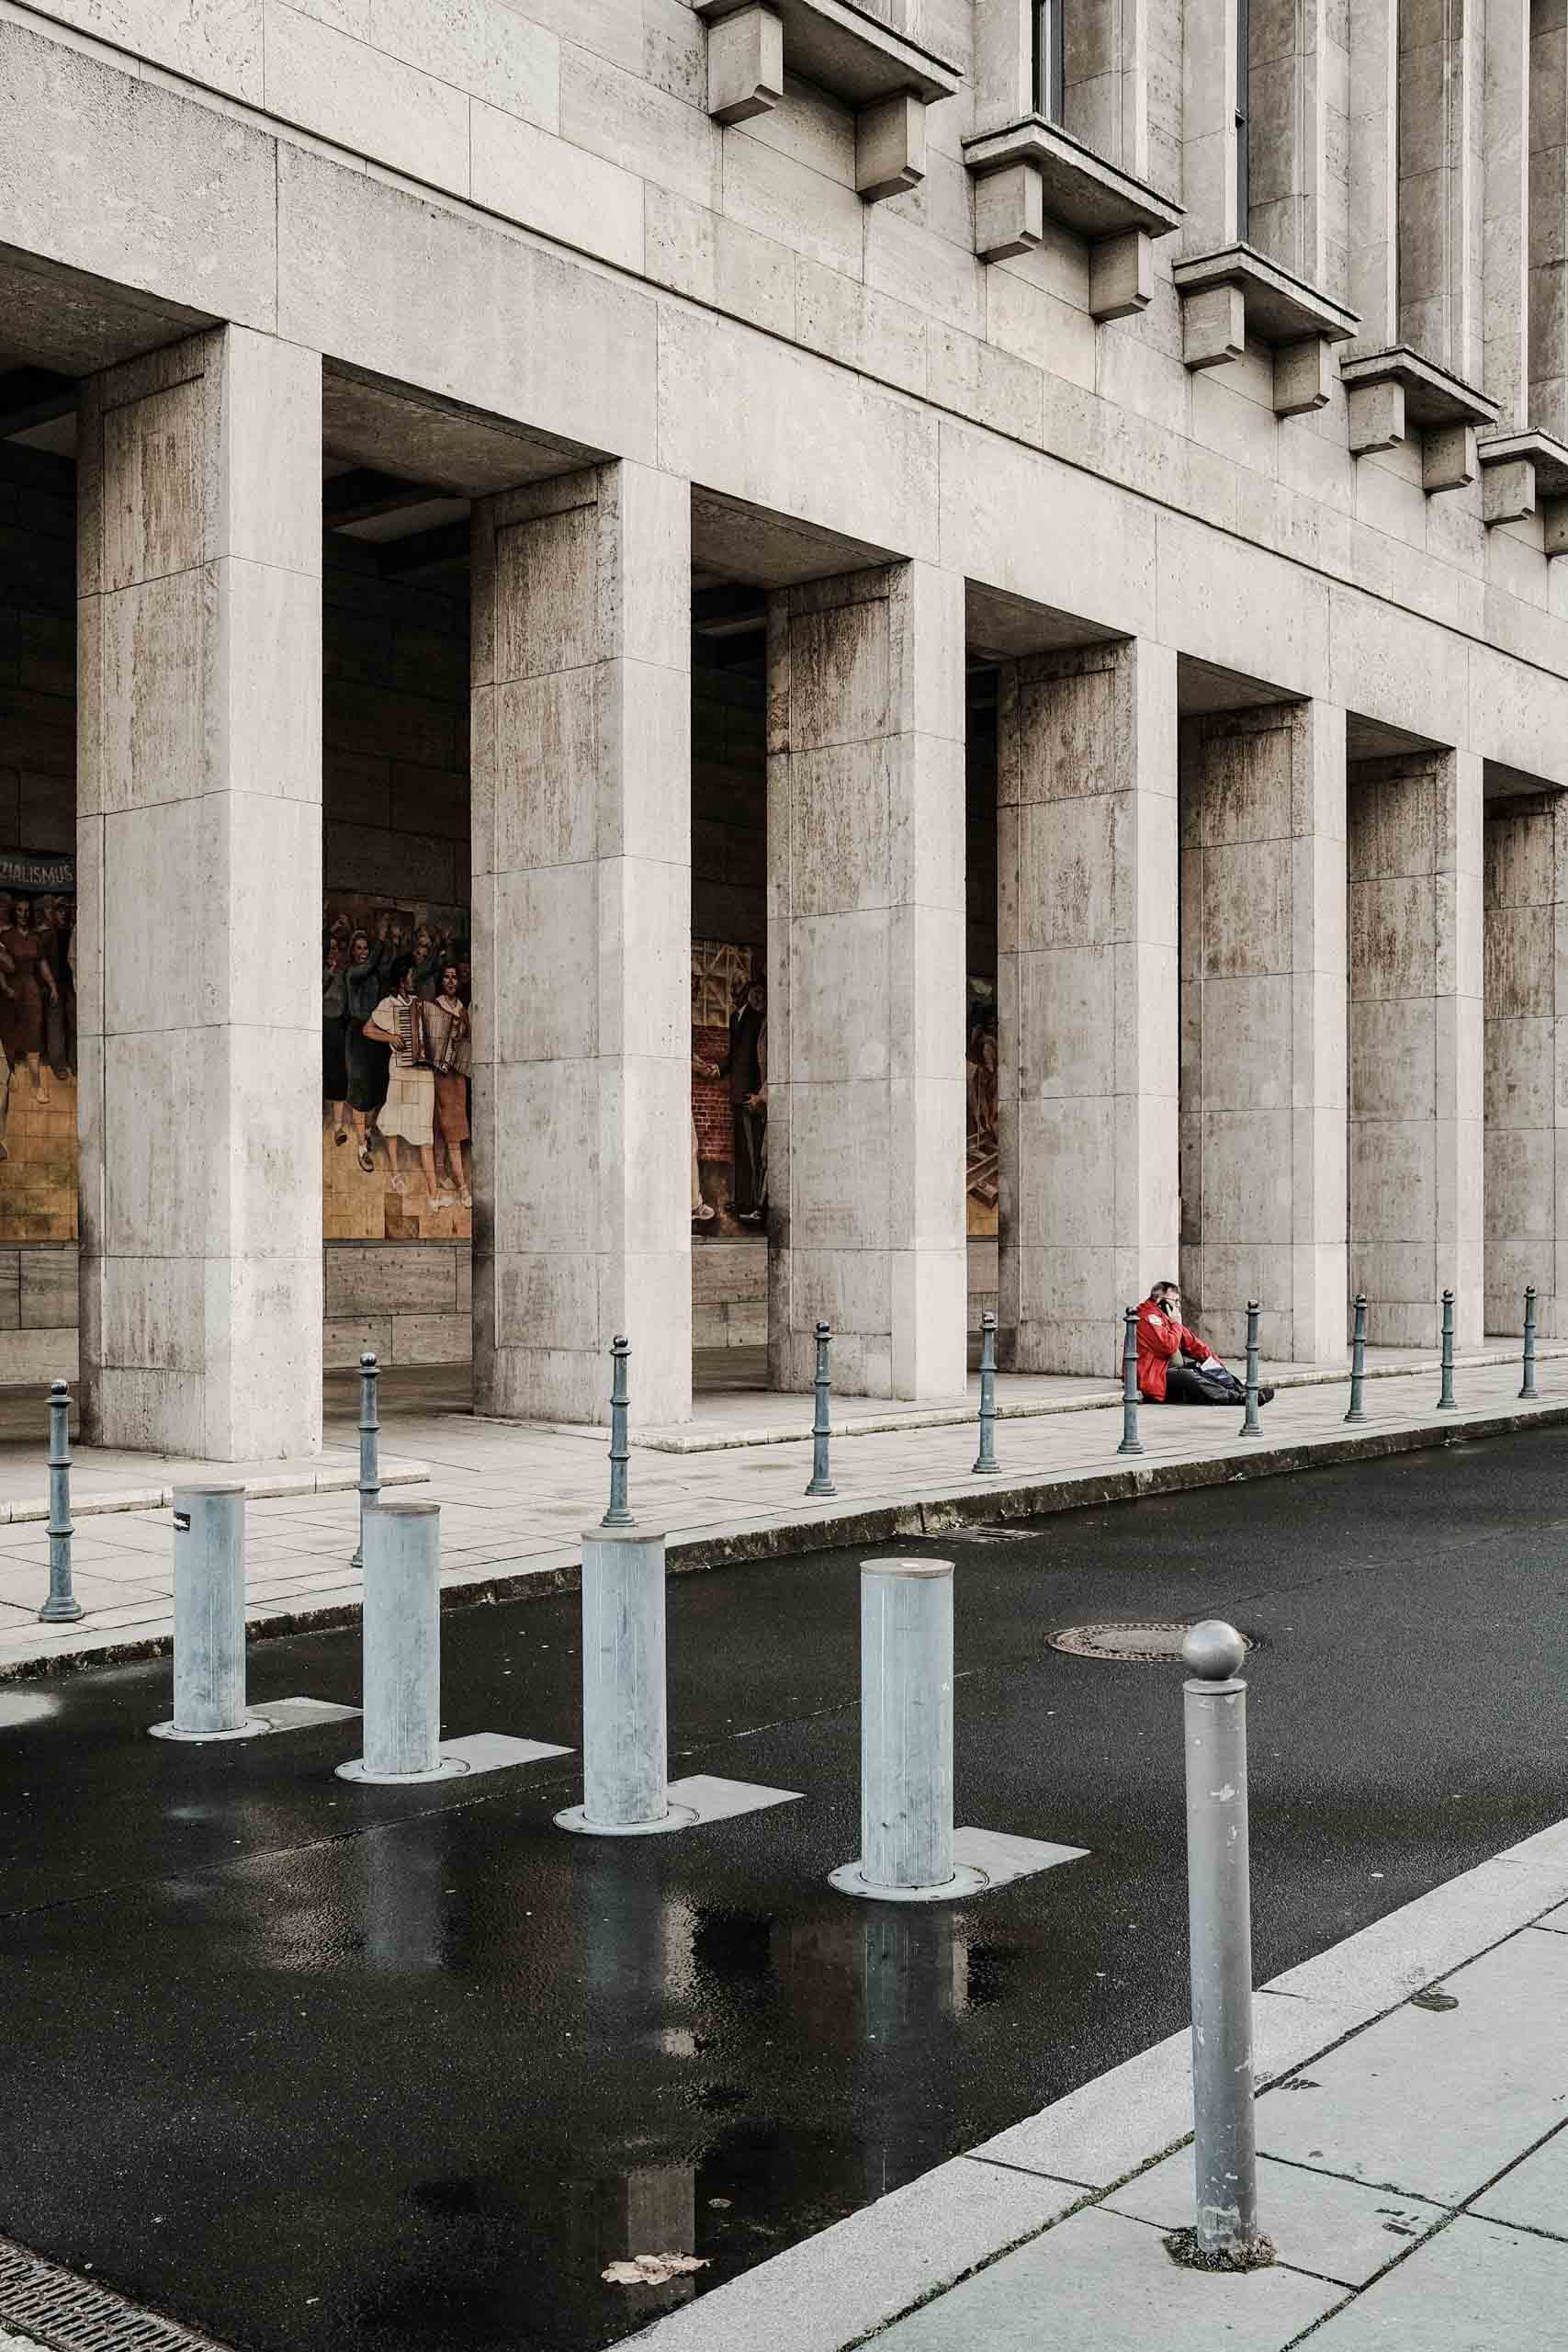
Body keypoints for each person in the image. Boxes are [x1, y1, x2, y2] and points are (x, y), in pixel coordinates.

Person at [363, 955, 442, 1207]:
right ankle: (395, 1173)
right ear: (400, 980)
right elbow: (367, 1030)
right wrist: (391, 1037)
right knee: (394, 1120)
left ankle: (434, 1193)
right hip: (400, 1070)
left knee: (424, 1128)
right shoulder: (389, 1004)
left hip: (423, 1073)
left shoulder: (421, 1005)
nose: (414, 979)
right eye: (411, 975)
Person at [1135, 1281, 1274, 1407]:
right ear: (1159, 1301)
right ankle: (1238, 1399)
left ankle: (1244, 1392)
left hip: (1168, 1369)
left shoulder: (1167, 1318)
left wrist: (1214, 1364)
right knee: (1188, 1376)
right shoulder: (1148, 1318)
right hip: (1153, 1375)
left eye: (1179, 1301)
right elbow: (1169, 1346)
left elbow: (1193, 1344)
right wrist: (1176, 1323)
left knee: (1207, 1366)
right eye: (1175, 1301)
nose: (1178, 1306)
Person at [717, 974, 767, 1225]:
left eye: (739, 989)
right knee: (740, 1151)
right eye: (732, 990)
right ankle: (741, 1201)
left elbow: (759, 1058)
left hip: (750, 1096)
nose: (734, 994)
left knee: (752, 1152)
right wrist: (718, 1068)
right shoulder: (734, 1018)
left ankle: (753, 1203)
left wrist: (759, 1094)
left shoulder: (757, 1019)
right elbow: (733, 1054)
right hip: (737, 1095)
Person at [0, 896, 60, 1104]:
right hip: (10, 992)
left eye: (27, 911)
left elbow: (42, 964)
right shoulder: (6, 936)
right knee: (9, 1035)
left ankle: (37, 1086)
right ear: (13, 912)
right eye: (19, 910)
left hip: (31, 990)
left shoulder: (35, 938)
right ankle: (9, 1078)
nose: (23, 914)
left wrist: (52, 985)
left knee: (33, 1035)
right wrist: (5, 987)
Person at [425, 962, 471, 1207]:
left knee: (452, 1124)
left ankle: (442, 1169)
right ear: (441, 981)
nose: (451, 981)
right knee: (446, 1125)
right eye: (447, 977)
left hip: (458, 1074)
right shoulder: (435, 1006)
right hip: (441, 1073)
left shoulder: (462, 1008)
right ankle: (463, 1187)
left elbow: (468, 1039)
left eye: (455, 977)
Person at [343, 929, 389, 1171]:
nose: (362, 952)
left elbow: (381, 968)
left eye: (365, 948)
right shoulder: (353, 973)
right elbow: (370, 966)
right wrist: (380, 937)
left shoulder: (373, 973)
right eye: (358, 948)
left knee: (379, 1089)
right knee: (360, 1091)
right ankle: (361, 1147)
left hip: (376, 1033)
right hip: (358, 1036)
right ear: (352, 952)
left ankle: (368, 1130)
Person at [321, 939, 351, 1144]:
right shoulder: (319, 970)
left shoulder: (344, 972)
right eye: (331, 948)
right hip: (319, 1024)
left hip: (338, 1025)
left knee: (339, 1075)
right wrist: (328, 974)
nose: (334, 952)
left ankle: (338, 1126)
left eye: (338, 948)